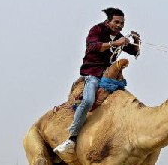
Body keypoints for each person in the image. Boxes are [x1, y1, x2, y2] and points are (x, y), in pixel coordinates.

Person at [55, 8, 141, 155]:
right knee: (88, 100)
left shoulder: (119, 37)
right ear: (108, 22)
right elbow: (92, 47)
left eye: (122, 23)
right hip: (93, 73)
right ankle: (72, 138)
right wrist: (115, 44)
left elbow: (135, 52)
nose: (120, 25)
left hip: (109, 77)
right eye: (117, 22)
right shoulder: (97, 30)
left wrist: (136, 40)